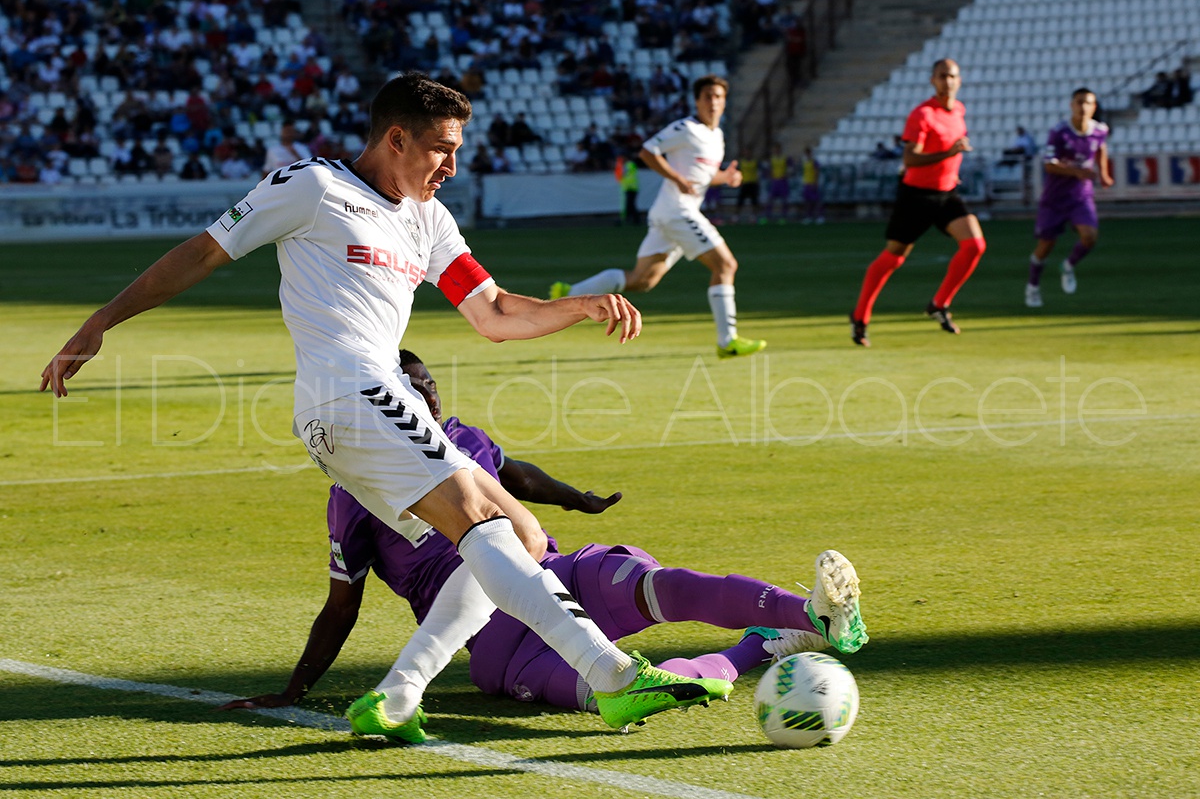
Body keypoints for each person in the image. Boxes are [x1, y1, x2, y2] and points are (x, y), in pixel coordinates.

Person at [39, 73, 730, 742]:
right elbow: (203, 253)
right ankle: (610, 674)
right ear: (395, 138)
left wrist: (576, 306)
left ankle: (397, 696)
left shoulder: (428, 219)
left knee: (518, 537)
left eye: (457, 149)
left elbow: (492, 313)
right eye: (440, 148)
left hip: (370, 407)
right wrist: (104, 319)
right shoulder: (313, 187)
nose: (451, 166)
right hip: (348, 392)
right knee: (485, 517)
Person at [216, 351, 868, 736]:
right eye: (412, 388)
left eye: (429, 382)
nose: (427, 393)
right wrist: (294, 690)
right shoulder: (357, 491)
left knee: (657, 583)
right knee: (613, 694)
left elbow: (512, 471)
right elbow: (341, 604)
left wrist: (570, 497)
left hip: (559, 571)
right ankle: (762, 646)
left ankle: (817, 616)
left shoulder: (460, 437)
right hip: (503, 646)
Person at [548, 75, 766, 359]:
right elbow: (648, 150)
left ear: (725, 102)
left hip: (671, 213)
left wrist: (726, 177)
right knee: (725, 265)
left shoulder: (717, 136)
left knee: (642, 280)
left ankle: (569, 291)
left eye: (719, 97)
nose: (714, 102)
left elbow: (700, 177)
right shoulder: (686, 128)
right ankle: (728, 342)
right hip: (678, 211)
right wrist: (676, 178)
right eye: (708, 96)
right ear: (697, 100)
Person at [849, 59, 986, 348]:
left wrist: (951, 166)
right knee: (894, 257)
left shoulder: (958, 110)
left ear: (959, 80)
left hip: (946, 193)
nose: (947, 81)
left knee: (975, 245)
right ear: (932, 80)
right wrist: (949, 154)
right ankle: (860, 316)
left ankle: (939, 304)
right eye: (941, 76)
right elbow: (910, 159)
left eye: (952, 76)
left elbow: (952, 150)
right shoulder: (922, 114)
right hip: (917, 195)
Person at [1024, 88, 1112, 309]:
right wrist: (1076, 171)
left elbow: (1101, 148)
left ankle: (1068, 265)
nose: (1083, 107)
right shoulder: (1060, 132)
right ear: (1072, 105)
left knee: (1090, 236)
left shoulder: (1100, 130)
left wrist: (1104, 172)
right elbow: (1048, 164)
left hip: (1080, 195)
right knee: (1046, 245)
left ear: (1094, 107)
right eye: (1079, 102)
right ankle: (1033, 286)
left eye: (1088, 103)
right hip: (1054, 197)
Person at [763, 142, 793, 222]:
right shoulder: (772, 159)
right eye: (775, 149)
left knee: (784, 200)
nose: (776, 150)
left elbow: (790, 167)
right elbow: (768, 169)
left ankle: (783, 217)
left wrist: (787, 174)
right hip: (775, 181)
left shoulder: (784, 158)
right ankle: (767, 216)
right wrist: (769, 174)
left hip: (783, 181)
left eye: (778, 149)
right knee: (770, 199)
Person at [734, 147, 760, 223]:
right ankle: (736, 216)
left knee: (754, 201)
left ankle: (753, 216)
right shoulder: (742, 162)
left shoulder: (755, 162)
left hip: (753, 183)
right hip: (745, 183)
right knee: (740, 201)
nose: (747, 154)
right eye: (746, 152)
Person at [799, 146, 823, 224]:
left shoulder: (814, 161)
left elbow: (817, 172)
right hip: (806, 183)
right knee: (807, 201)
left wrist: (815, 182)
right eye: (806, 153)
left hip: (812, 183)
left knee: (816, 201)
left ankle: (819, 216)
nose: (807, 155)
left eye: (808, 153)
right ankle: (808, 216)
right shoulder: (805, 162)